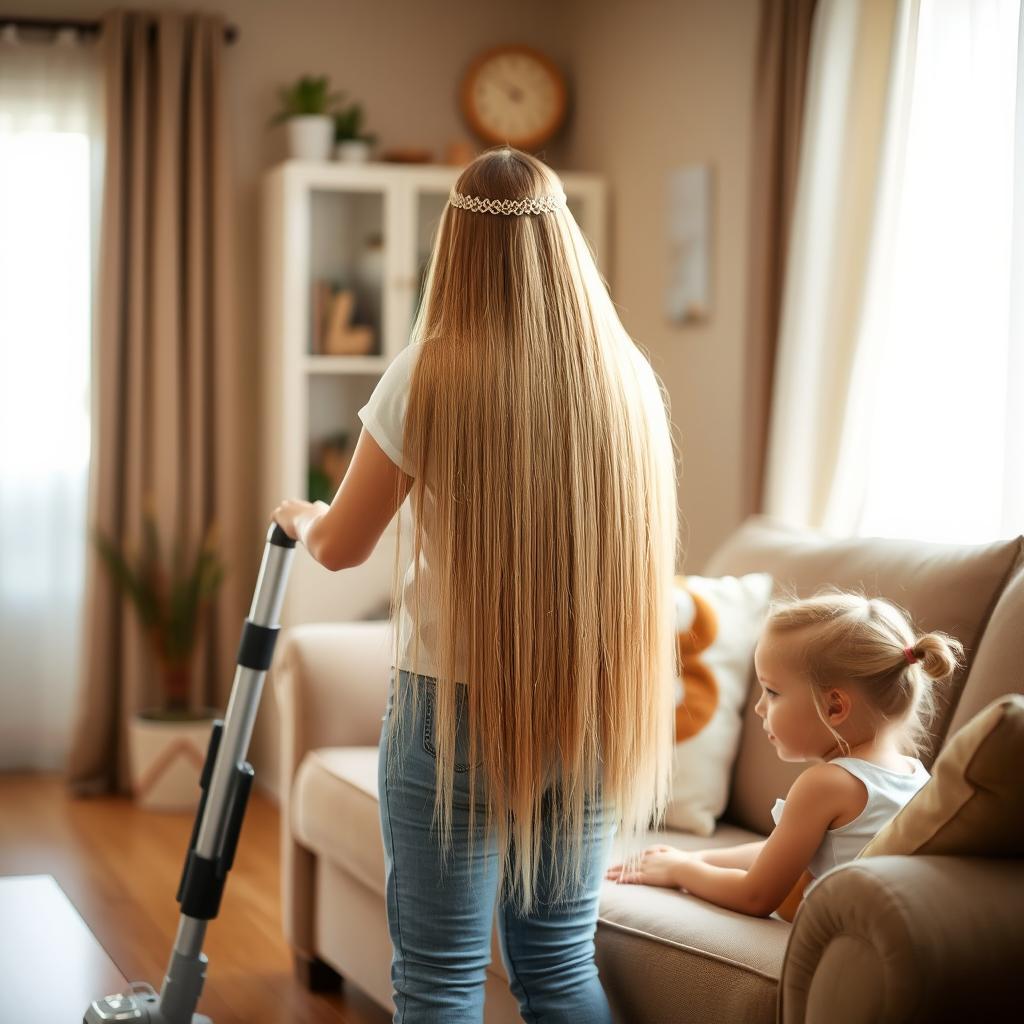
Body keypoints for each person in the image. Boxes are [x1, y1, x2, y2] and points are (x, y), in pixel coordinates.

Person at [273, 146, 679, 1022]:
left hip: (449, 717)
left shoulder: (430, 372)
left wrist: (302, 515)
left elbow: (342, 547)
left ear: (454, 245)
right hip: (592, 708)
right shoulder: (626, 382)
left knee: (441, 978)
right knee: (560, 969)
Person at [606, 591, 963, 921]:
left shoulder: (827, 783)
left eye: (773, 692)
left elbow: (757, 896)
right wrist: (696, 857)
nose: (760, 708)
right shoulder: (915, 775)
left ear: (834, 706)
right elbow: (784, 849)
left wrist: (680, 872)